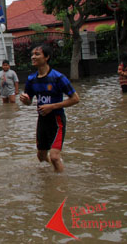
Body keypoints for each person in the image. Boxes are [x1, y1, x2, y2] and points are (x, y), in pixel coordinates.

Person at [19, 44, 80, 173]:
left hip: (57, 121)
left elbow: (75, 99)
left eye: (37, 54)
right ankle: (50, 177)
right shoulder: (31, 79)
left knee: (54, 157)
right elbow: (29, 102)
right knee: (41, 156)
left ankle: (60, 185)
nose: (33, 57)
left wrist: (52, 107)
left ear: (46, 57)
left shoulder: (58, 78)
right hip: (42, 121)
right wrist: (26, 100)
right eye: (32, 54)